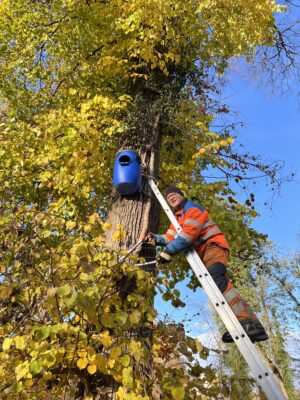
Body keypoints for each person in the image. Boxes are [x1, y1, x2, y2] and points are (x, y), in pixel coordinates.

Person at [148, 185, 268, 343]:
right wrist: (154, 238)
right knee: (219, 283)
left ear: (182, 194)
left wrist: (169, 252)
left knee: (217, 280)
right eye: (168, 196)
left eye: (174, 194)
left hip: (213, 246)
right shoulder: (177, 218)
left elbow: (189, 233)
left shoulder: (192, 209)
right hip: (206, 251)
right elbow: (169, 237)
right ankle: (254, 325)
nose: (171, 197)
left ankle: (245, 321)